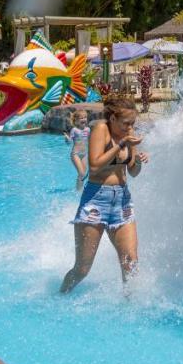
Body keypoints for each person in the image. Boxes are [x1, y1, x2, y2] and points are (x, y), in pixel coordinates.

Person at [60, 95, 149, 294]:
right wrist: (121, 144)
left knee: (131, 264)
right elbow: (95, 165)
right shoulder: (101, 129)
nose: (129, 127)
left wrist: (139, 160)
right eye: (126, 123)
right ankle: (59, 297)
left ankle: (130, 310)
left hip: (122, 201)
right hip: (96, 200)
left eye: (132, 123)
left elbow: (133, 172)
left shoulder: (128, 134)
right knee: (82, 269)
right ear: (113, 119)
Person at [65, 110, 91, 190]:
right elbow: (69, 142)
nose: (84, 119)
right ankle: (78, 191)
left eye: (85, 117)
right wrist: (67, 139)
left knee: (84, 174)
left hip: (84, 154)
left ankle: (80, 189)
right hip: (75, 154)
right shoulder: (74, 130)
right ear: (76, 121)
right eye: (81, 118)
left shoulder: (88, 129)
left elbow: (90, 141)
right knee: (81, 173)